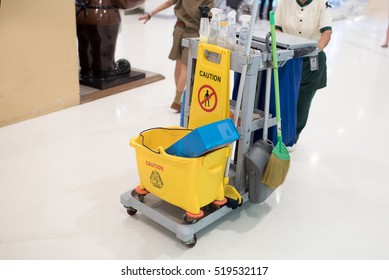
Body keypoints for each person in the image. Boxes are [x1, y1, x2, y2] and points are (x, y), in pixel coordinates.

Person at [274, 0, 332, 148]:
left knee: (302, 103)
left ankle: (292, 139)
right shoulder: (284, 2)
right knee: (282, 99)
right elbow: (277, 28)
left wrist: (315, 49)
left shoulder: (321, 4)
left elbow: (327, 32)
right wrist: (287, 46)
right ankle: (277, 135)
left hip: (311, 60)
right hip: (287, 58)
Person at [139, 0, 214, 112]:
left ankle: (179, 97)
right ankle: (177, 100)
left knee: (179, 63)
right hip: (193, 32)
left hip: (179, 30)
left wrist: (150, 14)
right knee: (186, 67)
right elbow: (208, 16)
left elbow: (168, 3)